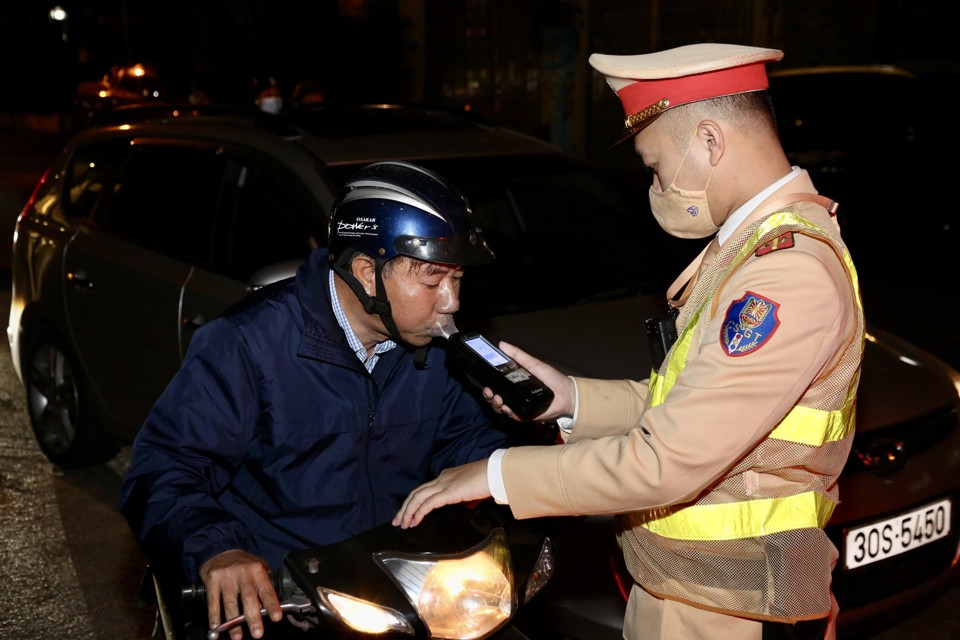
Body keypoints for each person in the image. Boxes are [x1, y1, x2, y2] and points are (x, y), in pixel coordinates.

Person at [394, 43, 865, 640]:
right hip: (704, 595)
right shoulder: (749, 250)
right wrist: (571, 399)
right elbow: (689, 405)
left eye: (655, 165)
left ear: (711, 142)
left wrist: (494, 475)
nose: (656, 184)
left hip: (733, 613)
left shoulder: (783, 272)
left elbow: (667, 461)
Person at [119, 160, 515, 640]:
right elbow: (165, 466)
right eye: (433, 281)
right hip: (282, 599)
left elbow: (468, 444)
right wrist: (218, 550)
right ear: (367, 272)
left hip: (395, 592)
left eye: (457, 280)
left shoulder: (435, 352)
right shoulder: (247, 344)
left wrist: (531, 463)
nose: (451, 302)